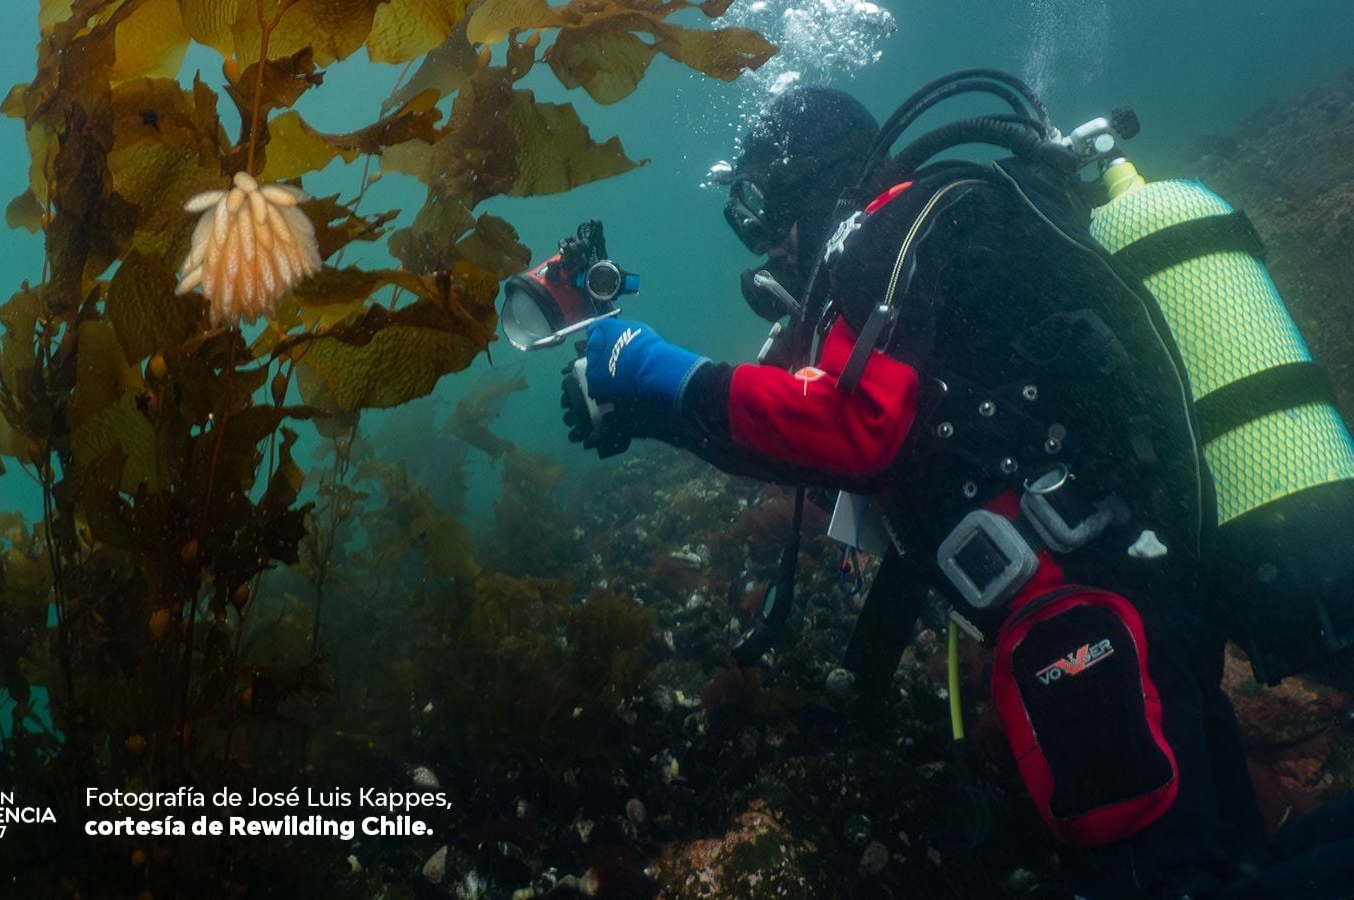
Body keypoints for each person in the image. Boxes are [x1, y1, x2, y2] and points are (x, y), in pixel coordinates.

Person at [556, 76, 1354, 898]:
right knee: (1232, 855)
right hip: (1132, 588)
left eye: (763, 201)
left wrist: (650, 368)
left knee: (1160, 883)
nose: (763, 242)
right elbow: (840, 457)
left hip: (1080, 617)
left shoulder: (886, 233)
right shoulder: (932, 234)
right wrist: (651, 413)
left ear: (814, 178)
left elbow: (854, 430)